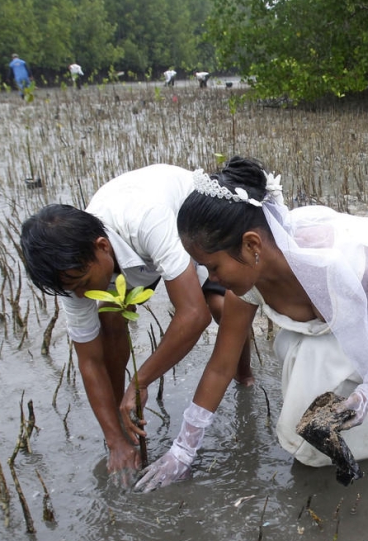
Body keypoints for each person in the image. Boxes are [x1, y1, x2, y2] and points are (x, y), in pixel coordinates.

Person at [133, 157, 368, 492]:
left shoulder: (338, 262)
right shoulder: (244, 290)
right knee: (299, 356)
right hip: (334, 331)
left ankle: (365, 444)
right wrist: (183, 450)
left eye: (213, 267)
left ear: (251, 245)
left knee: (316, 358)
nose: (211, 279)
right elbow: (221, 367)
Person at [19, 164, 254, 483]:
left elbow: (193, 315)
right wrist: (115, 440)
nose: (81, 295)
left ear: (102, 247)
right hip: (133, 255)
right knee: (109, 317)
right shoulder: (71, 275)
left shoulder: (146, 219)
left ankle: (244, 375)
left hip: (188, 222)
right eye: (72, 289)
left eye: (83, 283)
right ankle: (123, 418)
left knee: (219, 306)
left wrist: (140, 381)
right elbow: (89, 361)